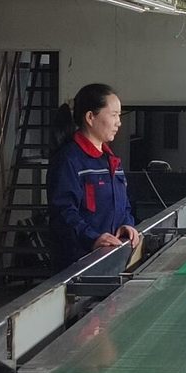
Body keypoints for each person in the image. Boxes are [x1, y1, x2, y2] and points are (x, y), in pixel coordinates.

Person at [47, 83, 140, 270]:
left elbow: (123, 205)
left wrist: (126, 224)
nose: (119, 122)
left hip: (111, 260)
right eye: (113, 115)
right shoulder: (69, 160)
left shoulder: (111, 160)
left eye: (119, 115)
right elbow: (63, 212)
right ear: (90, 117)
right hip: (79, 264)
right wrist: (92, 238)